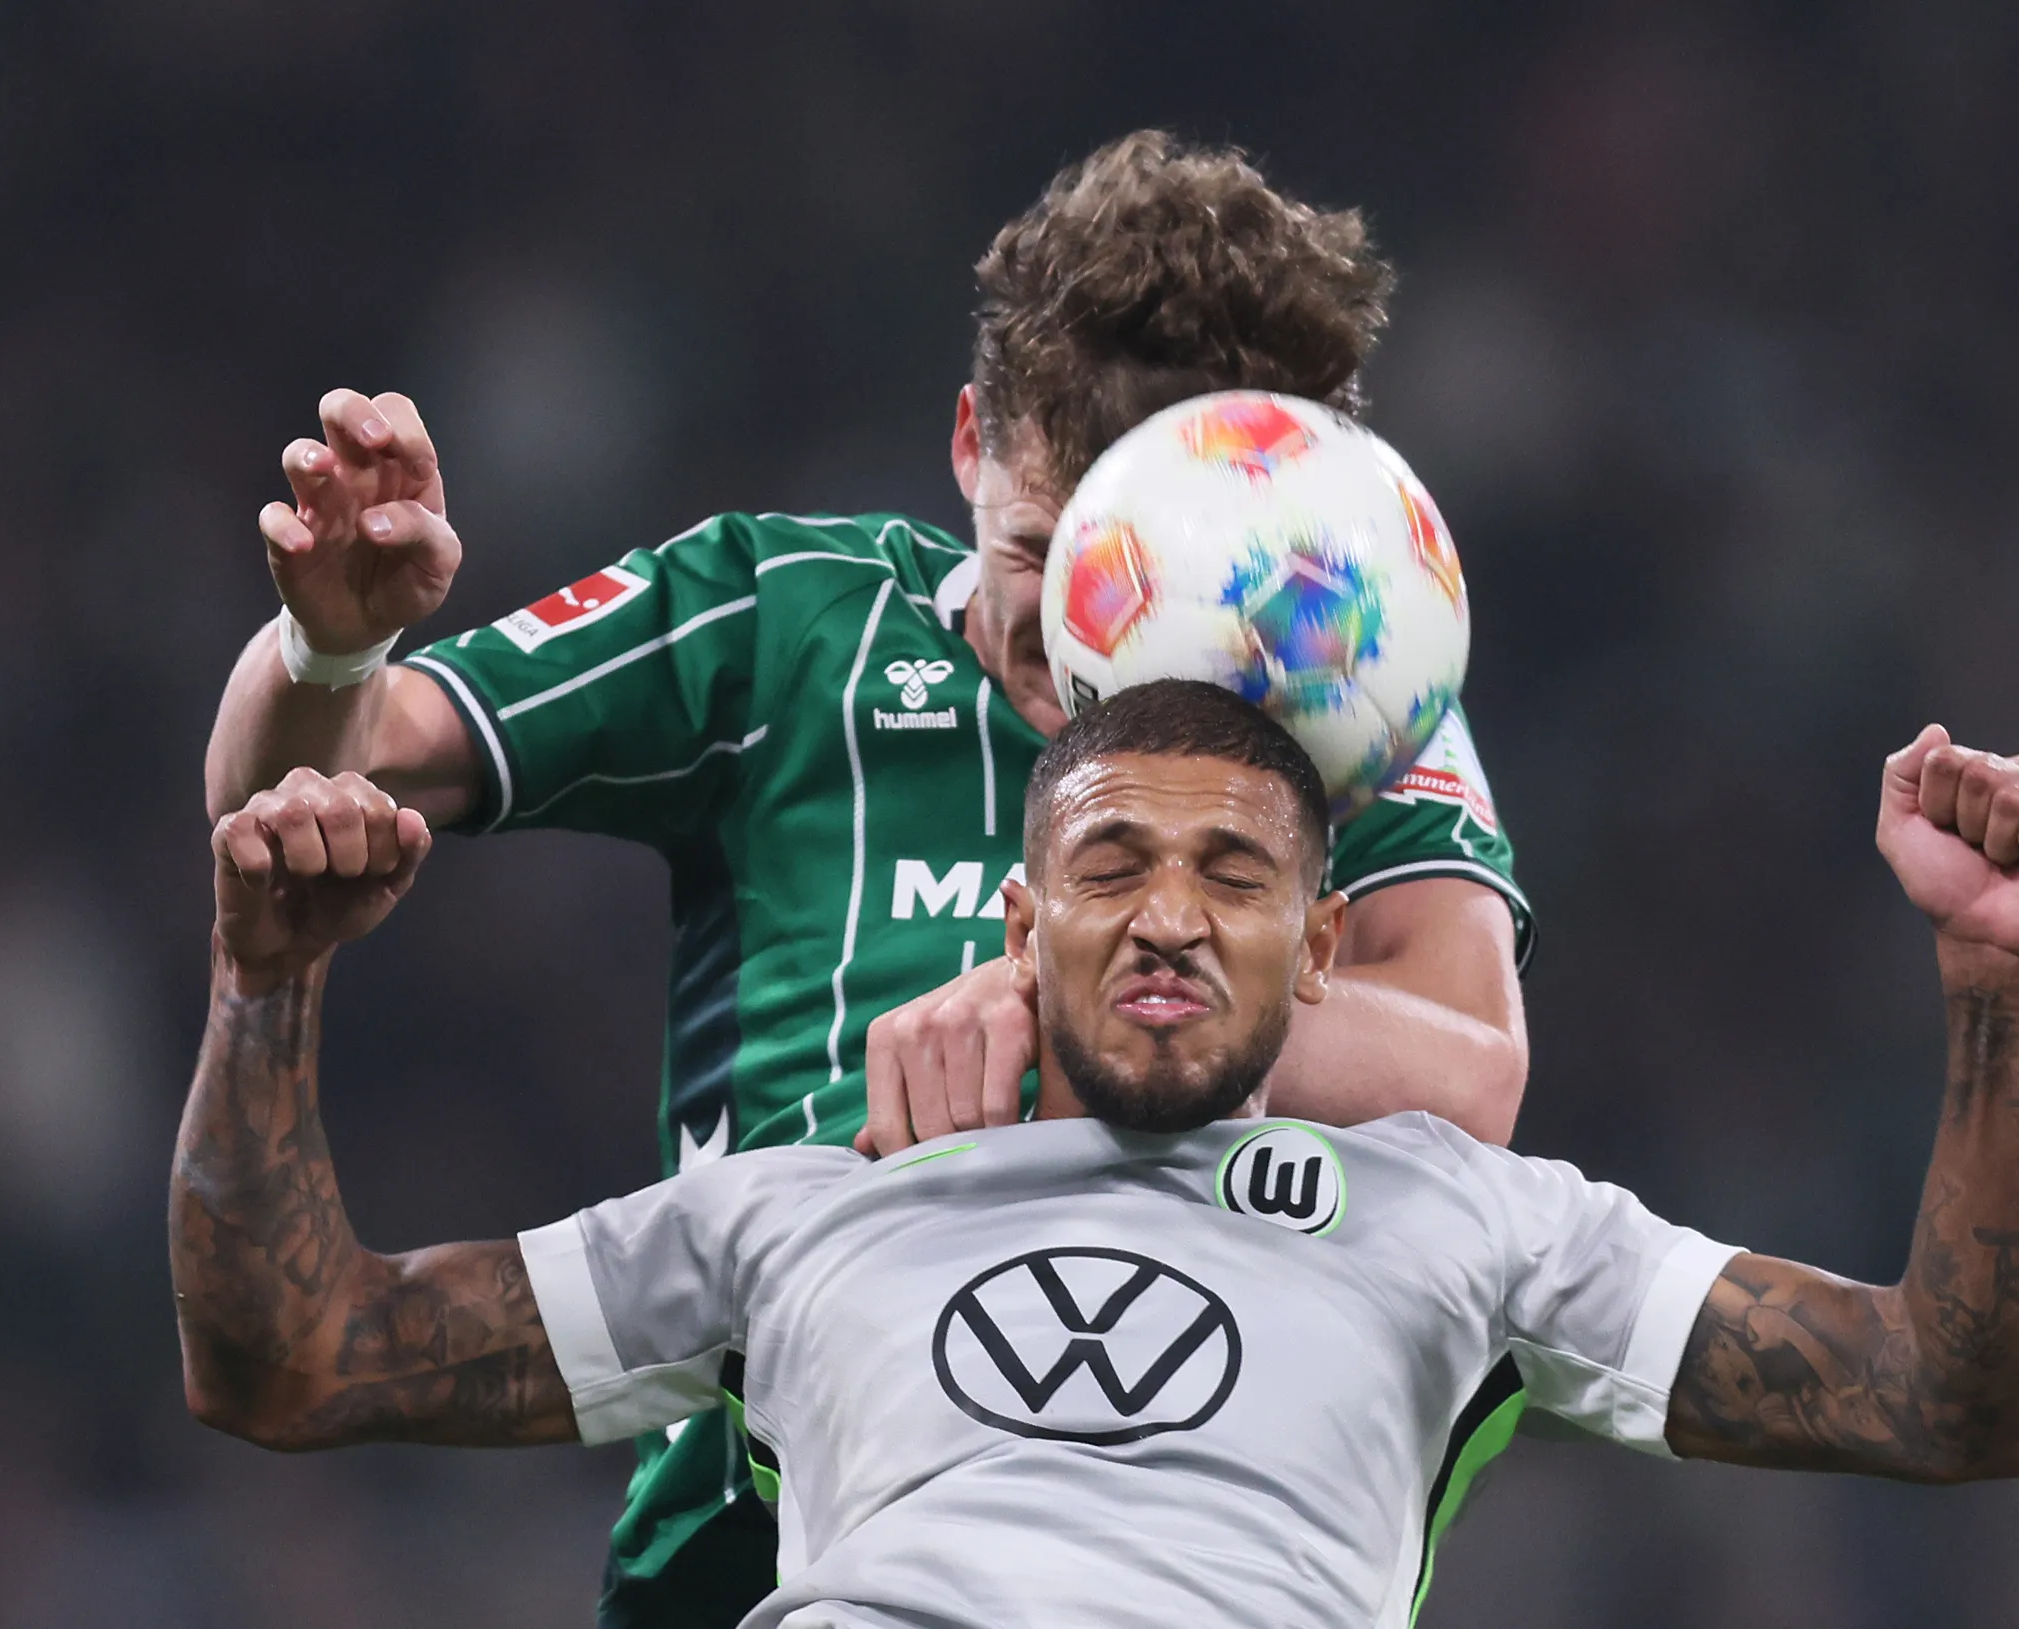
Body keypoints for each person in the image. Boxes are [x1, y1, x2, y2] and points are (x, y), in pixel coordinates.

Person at [201, 132, 1534, 1623]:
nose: (1074, 631)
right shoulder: (787, 622)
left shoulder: (1337, 679)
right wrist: (331, 648)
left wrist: (1063, 997)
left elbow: (1469, 1071)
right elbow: (299, 790)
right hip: (749, 1556)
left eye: (1139, 573)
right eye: (1045, 551)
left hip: (1179, 1546)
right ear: (972, 443)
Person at [174, 679, 2019, 1629]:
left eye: (1233, 874)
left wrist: (1997, 986)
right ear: (1018, 929)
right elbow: (293, 1358)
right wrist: (268, 990)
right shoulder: (796, 1208)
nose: (1166, 916)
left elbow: (1951, 1397)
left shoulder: (1477, 1226)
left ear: (1324, 949)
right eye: (1108, 867)